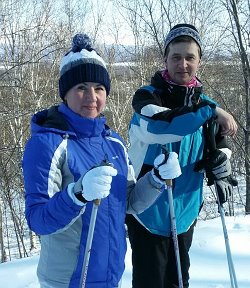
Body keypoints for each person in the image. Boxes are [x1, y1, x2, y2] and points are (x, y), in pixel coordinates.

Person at [22, 33, 182, 288]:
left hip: (110, 275)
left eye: (99, 88)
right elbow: (38, 220)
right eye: (81, 88)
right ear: (66, 93)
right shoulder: (48, 144)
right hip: (68, 280)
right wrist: (77, 195)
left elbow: (129, 202)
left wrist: (156, 178)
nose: (91, 96)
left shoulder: (114, 142)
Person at [126, 23, 238, 288]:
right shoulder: (147, 98)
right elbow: (162, 127)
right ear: (165, 59)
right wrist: (211, 110)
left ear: (199, 61)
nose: (183, 64)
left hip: (185, 213)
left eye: (190, 57)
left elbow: (220, 142)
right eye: (176, 57)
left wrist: (222, 161)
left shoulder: (205, 106)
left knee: (179, 282)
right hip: (147, 214)